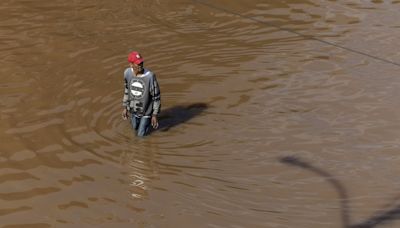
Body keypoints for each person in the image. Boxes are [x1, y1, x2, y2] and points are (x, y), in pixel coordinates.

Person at [121, 51, 161, 137]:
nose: (140, 65)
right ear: (131, 65)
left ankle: (147, 122)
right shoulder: (127, 73)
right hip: (133, 110)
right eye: (138, 64)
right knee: (135, 128)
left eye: (141, 63)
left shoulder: (150, 76)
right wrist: (125, 107)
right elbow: (127, 90)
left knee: (140, 136)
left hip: (146, 111)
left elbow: (156, 96)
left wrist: (154, 114)